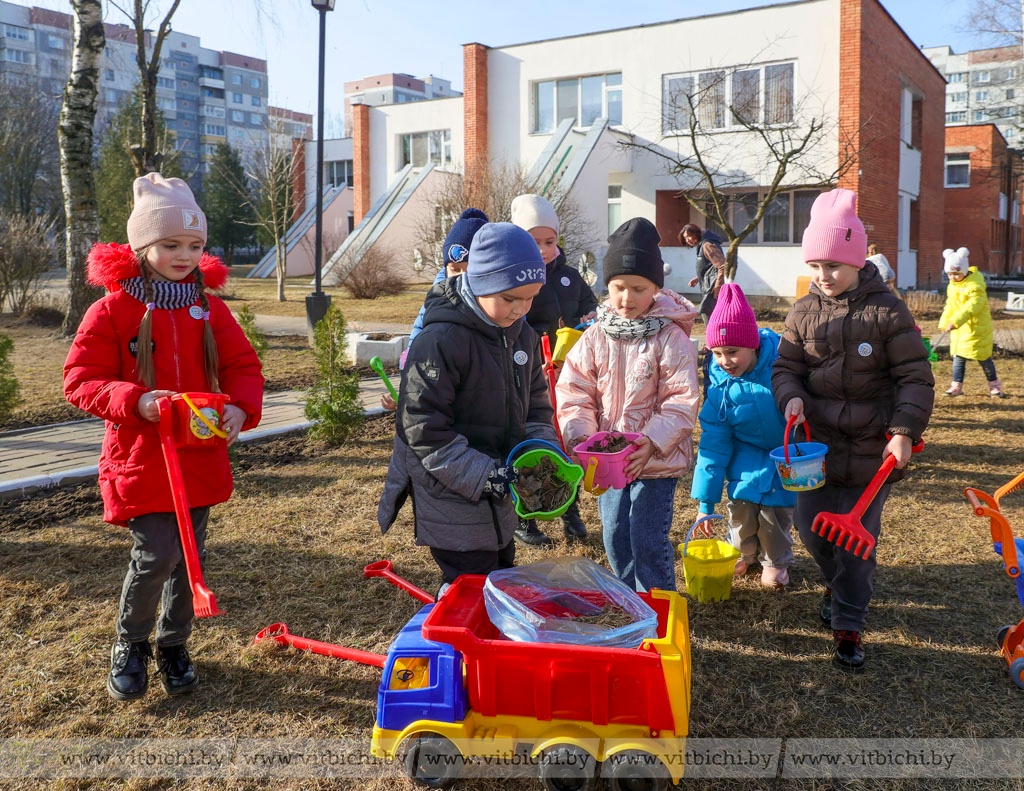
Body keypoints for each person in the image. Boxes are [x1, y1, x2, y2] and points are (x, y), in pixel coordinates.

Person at [63, 173, 264, 701]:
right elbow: (80, 381)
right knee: (156, 553)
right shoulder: (111, 311)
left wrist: (242, 407)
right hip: (142, 456)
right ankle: (130, 644)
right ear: (141, 246)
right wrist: (135, 400)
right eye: (171, 244)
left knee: (189, 555)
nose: (184, 255)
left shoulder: (209, 308)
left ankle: (174, 643)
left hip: (198, 453)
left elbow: (243, 364)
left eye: (194, 245)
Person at [773, 188, 933, 673]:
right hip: (814, 452)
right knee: (810, 530)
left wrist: (903, 430)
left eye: (833, 267)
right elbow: (785, 367)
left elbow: (915, 377)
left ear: (858, 260)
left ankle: (848, 623)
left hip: (871, 452)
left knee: (857, 543)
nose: (823, 277)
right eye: (816, 265)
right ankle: (835, 585)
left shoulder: (887, 311)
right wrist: (790, 395)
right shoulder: (803, 312)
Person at [377, 222, 557, 591]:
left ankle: (485, 638)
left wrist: (539, 449)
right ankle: (455, 638)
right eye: (510, 298)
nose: (521, 308)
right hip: (451, 487)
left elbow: (536, 405)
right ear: (481, 283)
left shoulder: (519, 332)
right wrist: (482, 475)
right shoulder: (441, 340)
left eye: (531, 297)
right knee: (469, 579)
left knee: (501, 565)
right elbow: (423, 428)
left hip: (498, 485)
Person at [557, 218, 700, 592]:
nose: (627, 298)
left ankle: (658, 606)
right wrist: (582, 439)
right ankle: (627, 598)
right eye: (619, 287)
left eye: (639, 288)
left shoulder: (671, 337)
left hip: (655, 460)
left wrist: (651, 441)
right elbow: (575, 390)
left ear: (656, 287)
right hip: (607, 460)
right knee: (616, 534)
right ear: (607, 286)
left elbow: (681, 399)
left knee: (646, 538)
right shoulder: (596, 335)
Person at [690, 282, 796, 589]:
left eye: (733, 351)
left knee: (774, 516)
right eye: (718, 353)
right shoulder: (720, 388)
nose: (725, 361)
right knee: (741, 510)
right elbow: (712, 447)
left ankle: (775, 561)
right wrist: (705, 505)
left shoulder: (781, 367)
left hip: (784, 452)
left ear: (752, 345)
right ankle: (744, 553)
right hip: (745, 454)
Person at [511, 193, 598, 545]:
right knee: (532, 441)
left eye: (550, 241)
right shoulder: (516, 278)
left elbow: (590, 310)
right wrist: (537, 344)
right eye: (535, 242)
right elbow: (513, 320)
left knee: (567, 440)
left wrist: (585, 325)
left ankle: (569, 509)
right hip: (528, 374)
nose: (545, 249)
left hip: (568, 375)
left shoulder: (571, 277)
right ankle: (525, 517)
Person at [381, 208, 489, 410]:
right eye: (454, 269)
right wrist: (406, 386)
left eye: (469, 269)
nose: (461, 277)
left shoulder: (495, 303)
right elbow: (418, 335)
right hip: (444, 389)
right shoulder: (436, 299)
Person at [938, 246, 1005, 398]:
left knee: (984, 358)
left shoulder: (976, 287)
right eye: (949, 274)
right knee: (958, 358)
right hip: (960, 330)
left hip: (976, 329)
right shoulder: (952, 286)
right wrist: (945, 321)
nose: (953, 277)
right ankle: (956, 386)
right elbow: (950, 305)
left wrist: (955, 321)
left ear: (964, 271)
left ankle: (994, 385)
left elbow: (971, 307)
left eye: (956, 274)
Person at [679, 223, 726, 322]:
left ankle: (713, 337)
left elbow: (722, 266)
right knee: (710, 314)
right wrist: (698, 278)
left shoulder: (707, 245)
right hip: (709, 286)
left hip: (712, 288)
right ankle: (715, 336)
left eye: (689, 236)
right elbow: (710, 267)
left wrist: (718, 285)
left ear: (696, 233)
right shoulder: (702, 245)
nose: (688, 240)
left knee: (706, 311)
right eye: (686, 238)